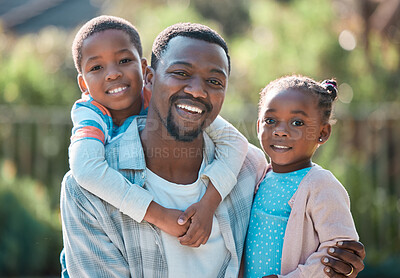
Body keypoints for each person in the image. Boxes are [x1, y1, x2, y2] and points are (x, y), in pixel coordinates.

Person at [60, 22, 365, 277]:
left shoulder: (252, 172)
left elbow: (297, 244)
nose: (197, 89)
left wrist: (335, 264)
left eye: (214, 81)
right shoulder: (87, 191)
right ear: (150, 79)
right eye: (180, 73)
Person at [67, 15, 249, 249]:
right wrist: (159, 215)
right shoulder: (90, 113)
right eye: (97, 67)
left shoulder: (165, 96)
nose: (112, 74)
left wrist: (208, 205)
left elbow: (236, 142)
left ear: (145, 70)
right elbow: (86, 170)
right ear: (83, 85)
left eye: (124, 60)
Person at [242, 76, 359, 278]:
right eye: (271, 121)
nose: (280, 131)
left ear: (322, 133)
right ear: (258, 125)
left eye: (297, 122)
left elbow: (339, 251)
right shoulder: (259, 177)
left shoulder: (321, 184)